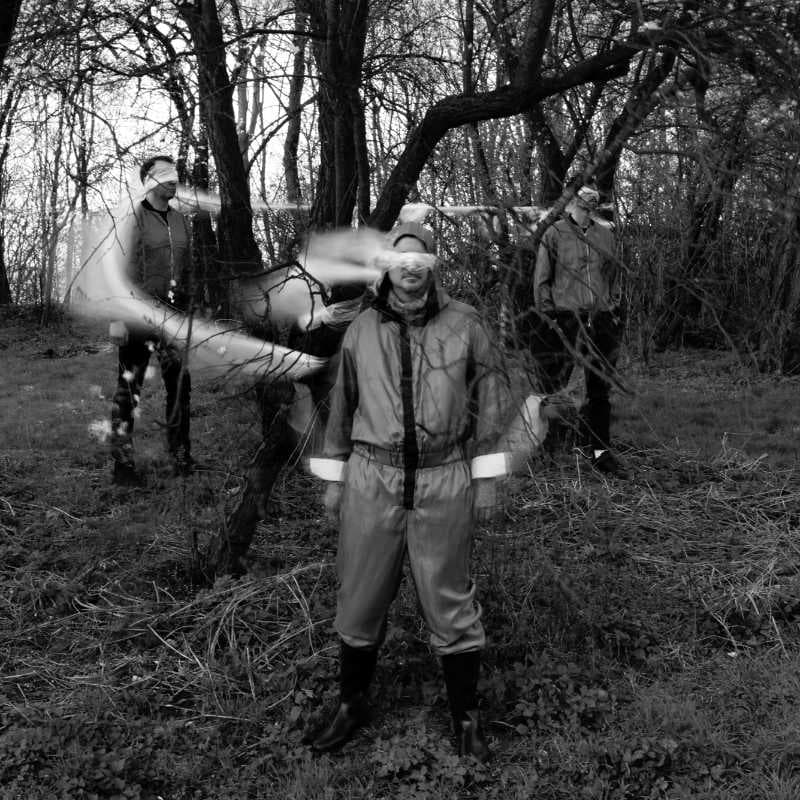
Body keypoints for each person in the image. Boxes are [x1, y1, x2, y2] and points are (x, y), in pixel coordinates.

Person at [306, 222, 511, 760]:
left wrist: (485, 477)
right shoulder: (363, 327)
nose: (412, 267)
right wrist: (335, 477)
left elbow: (490, 394)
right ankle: (352, 704)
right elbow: (342, 402)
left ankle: (466, 717)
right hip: (373, 477)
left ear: (434, 265)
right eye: (401, 259)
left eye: (422, 258)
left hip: (445, 478)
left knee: (450, 598)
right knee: (361, 592)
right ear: (386, 267)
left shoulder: (465, 323)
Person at [109, 155, 195, 485]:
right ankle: (123, 465)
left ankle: (180, 455)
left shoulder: (179, 220)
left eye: (175, 175)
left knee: (180, 386)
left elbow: (187, 270)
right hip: (137, 316)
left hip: (173, 317)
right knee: (129, 389)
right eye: (165, 175)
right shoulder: (133, 219)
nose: (174, 180)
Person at [531, 179, 624, 474]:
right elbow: (542, 279)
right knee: (554, 387)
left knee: (599, 392)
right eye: (582, 200)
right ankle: (548, 451)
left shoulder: (605, 236)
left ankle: (599, 453)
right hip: (565, 319)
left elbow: (612, 276)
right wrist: (550, 316)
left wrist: (613, 310)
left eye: (592, 200)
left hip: (600, 321)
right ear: (571, 201)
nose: (587, 205)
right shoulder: (555, 234)